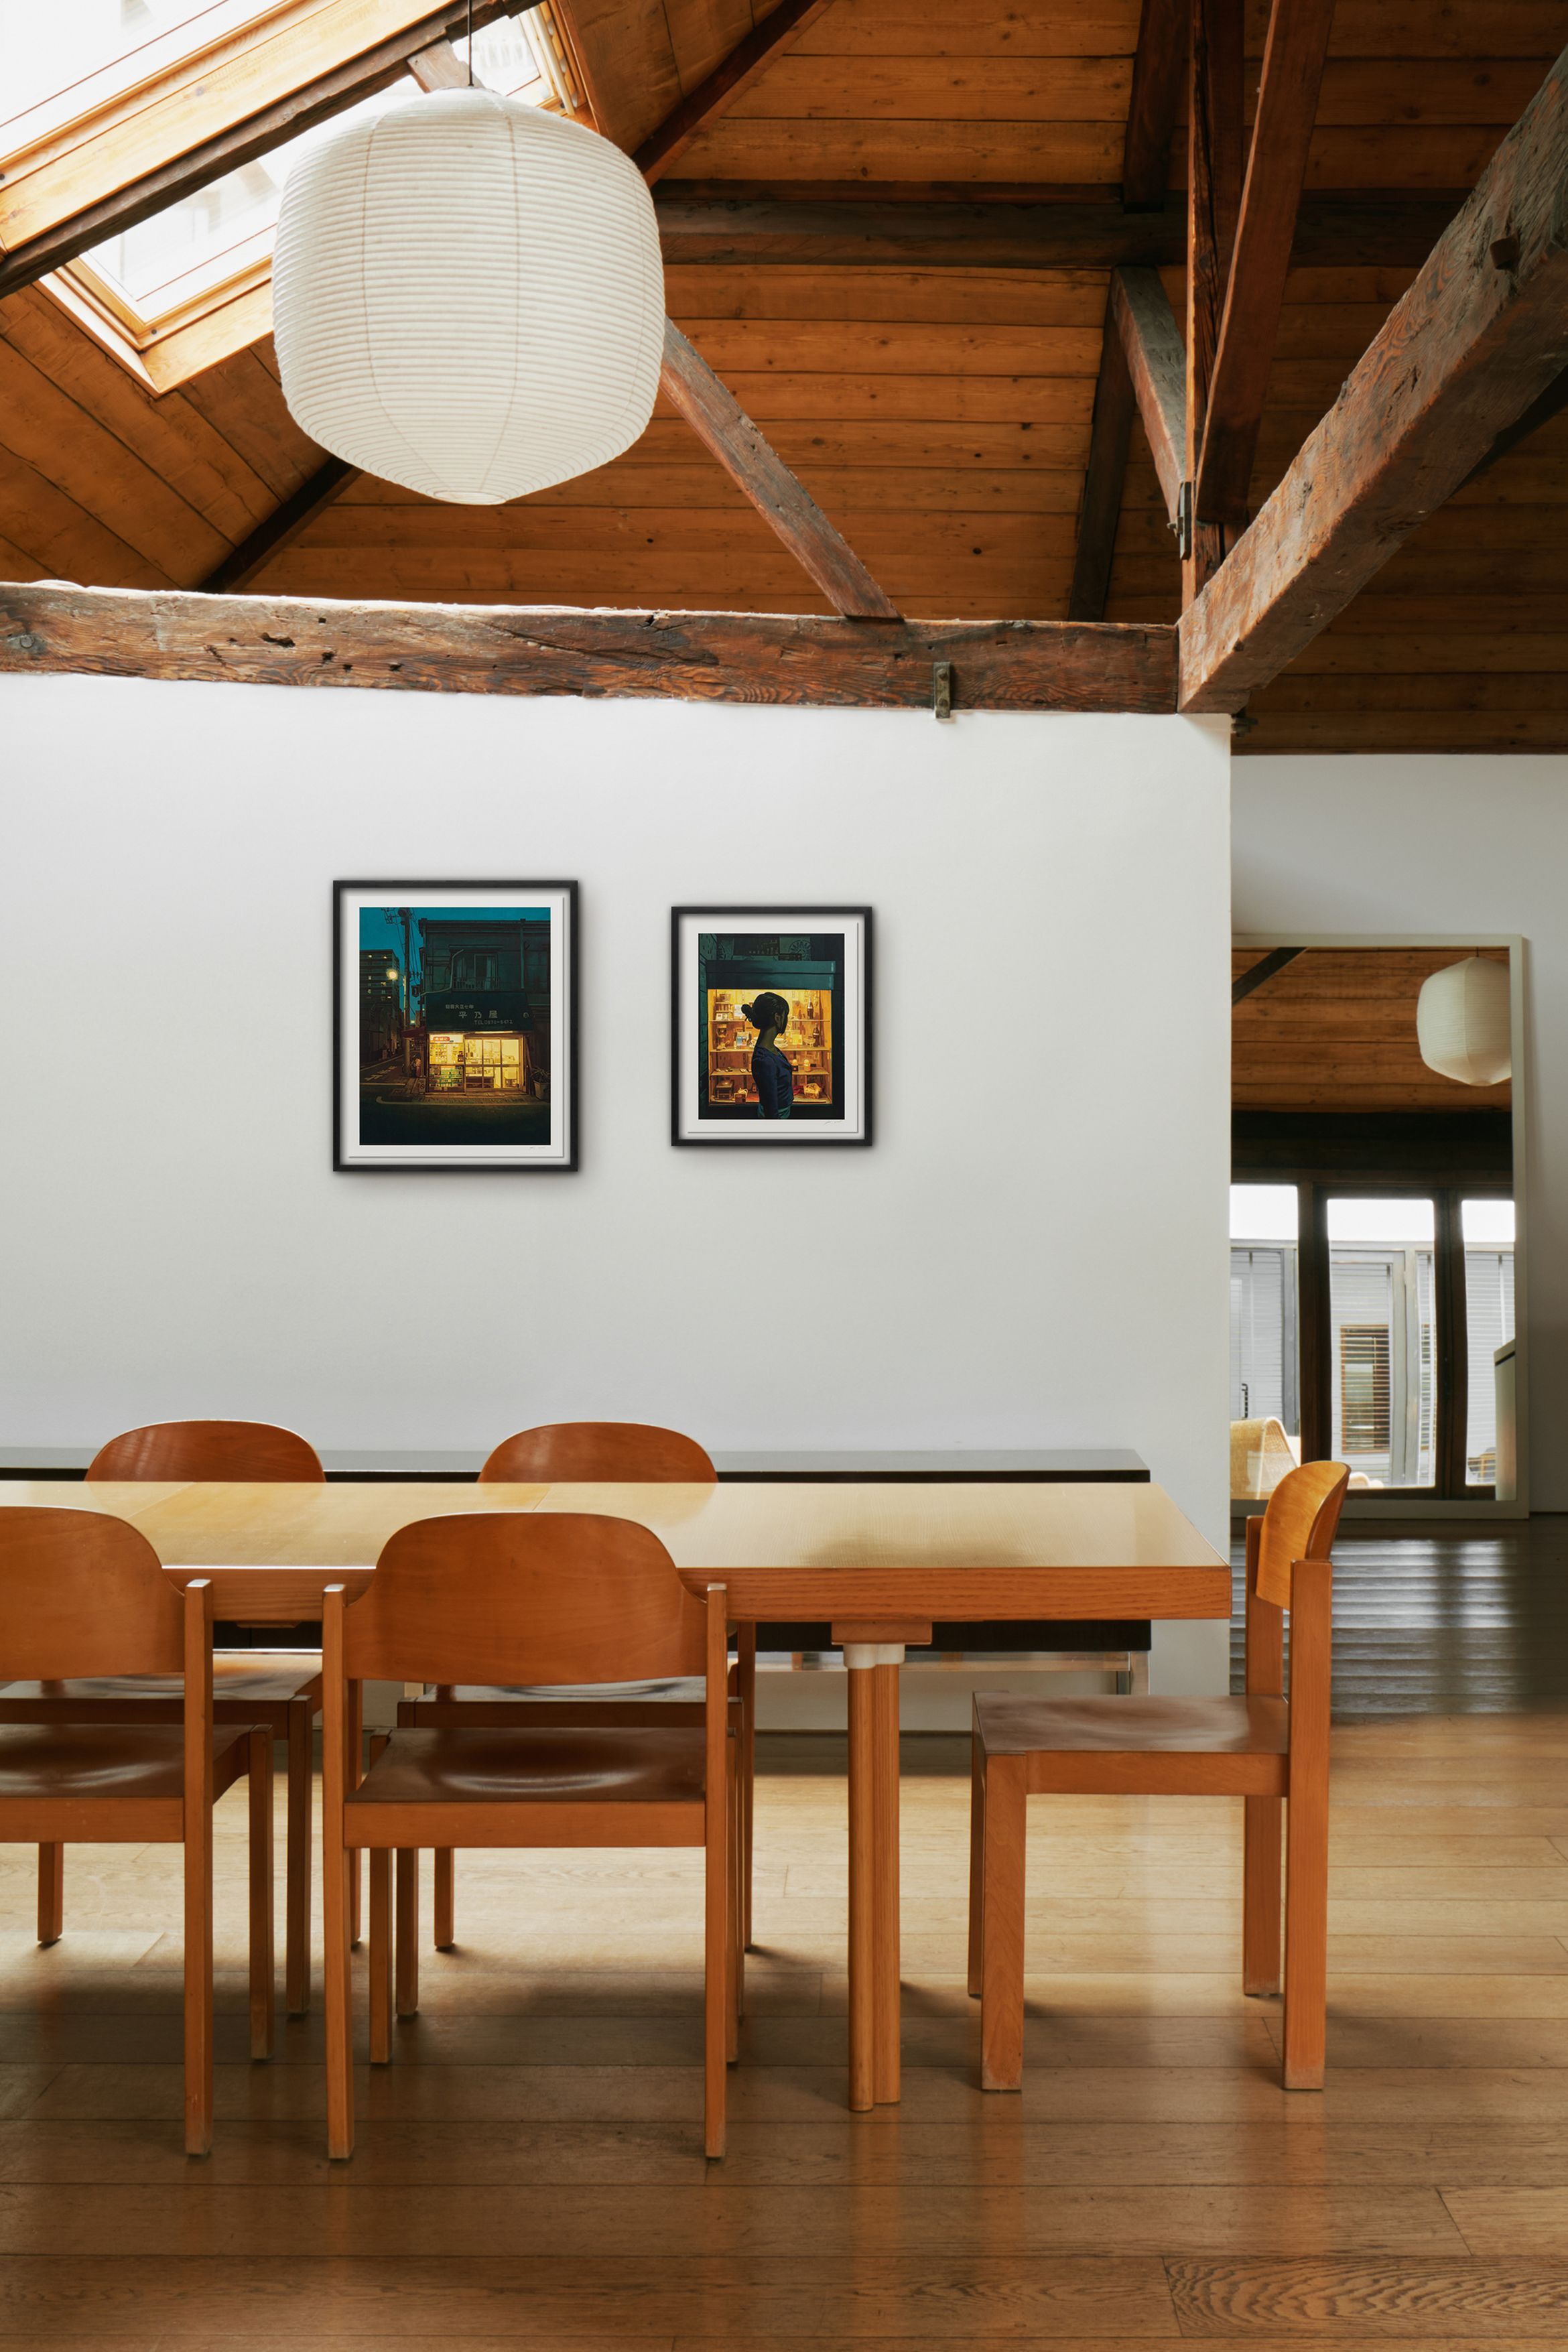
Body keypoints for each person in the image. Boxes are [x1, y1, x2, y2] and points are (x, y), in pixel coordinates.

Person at [742, 992, 793, 1119]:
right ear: (777, 1017)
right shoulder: (765, 1060)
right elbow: (771, 1109)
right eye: (785, 1016)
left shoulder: (770, 1050)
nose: (786, 1020)